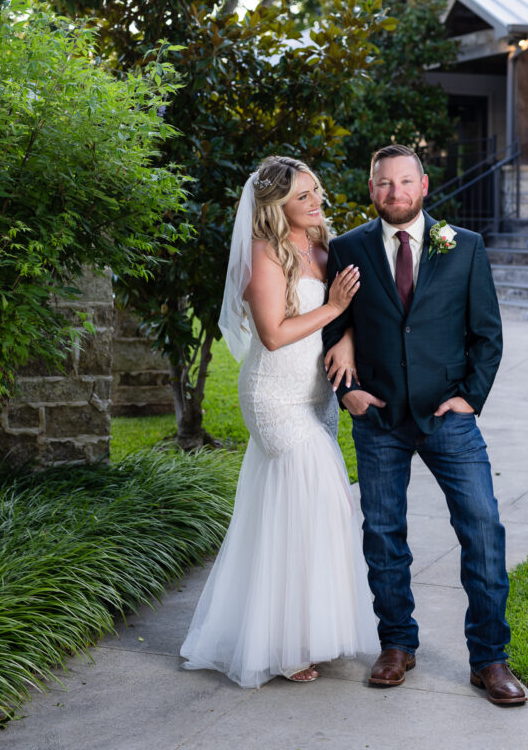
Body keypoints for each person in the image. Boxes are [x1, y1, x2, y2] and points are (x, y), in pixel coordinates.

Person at [323, 144, 527, 707]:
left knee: (483, 530)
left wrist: (470, 399)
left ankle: (489, 657)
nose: (395, 193)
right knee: (383, 536)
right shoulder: (347, 248)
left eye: (405, 182)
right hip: (380, 417)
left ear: (424, 184)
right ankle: (396, 644)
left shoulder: (465, 247)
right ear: (371, 189)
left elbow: (487, 334)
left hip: (448, 418)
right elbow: (330, 329)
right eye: (384, 183)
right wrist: (348, 394)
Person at [180, 155, 378, 687]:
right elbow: (272, 333)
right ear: (275, 207)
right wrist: (334, 308)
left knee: (302, 511)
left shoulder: (322, 245)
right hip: (274, 396)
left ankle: (301, 628)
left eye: (317, 192)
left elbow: (351, 315)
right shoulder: (262, 253)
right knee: (322, 498)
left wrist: (349, 337)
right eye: (303, 198)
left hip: (315, 395)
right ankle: (287, 644)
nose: (317, 203)